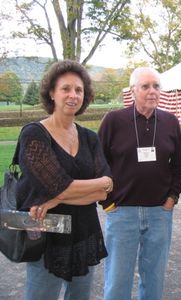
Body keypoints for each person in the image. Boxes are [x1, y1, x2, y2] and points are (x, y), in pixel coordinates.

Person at [16, 60, 113, 300]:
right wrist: (97, 185)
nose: (73, 95)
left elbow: (106, 188)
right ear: (51, 93)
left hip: (84, 232)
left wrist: (54, 198)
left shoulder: (90, 137)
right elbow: (59, 185)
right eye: (66, 89)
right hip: (48, 234)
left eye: (78, 90)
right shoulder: (34, 135)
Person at [98, 67, 181, 300]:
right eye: (145, 86)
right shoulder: (114, 120)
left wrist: (171, 200)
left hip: (159, 213)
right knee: (118, 279)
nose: (152, 91)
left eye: (156, 86)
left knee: (154, 278)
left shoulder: (170, 121)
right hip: (122, 212)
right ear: (133, 90)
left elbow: (178, 167)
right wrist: (107, 202)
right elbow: (98, 165)